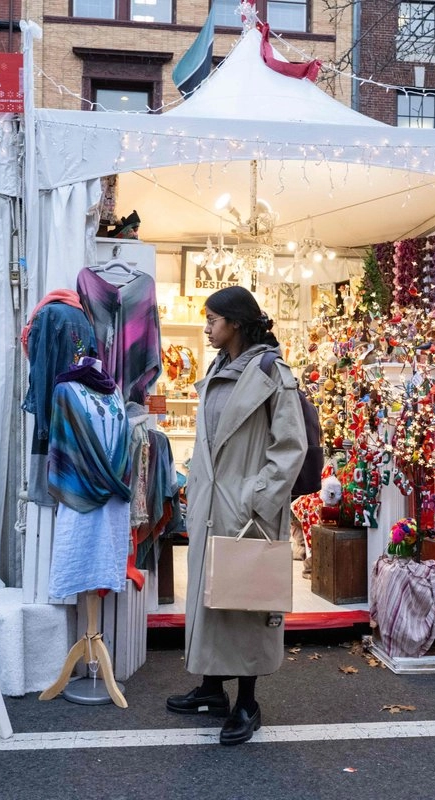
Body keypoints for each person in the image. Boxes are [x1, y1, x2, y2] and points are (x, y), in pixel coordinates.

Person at [166, 285, 306, 746]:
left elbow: (290, 447)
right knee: (211, 596)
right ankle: (211, 688)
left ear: (236, 323)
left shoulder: (271, 371)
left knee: (245, 600)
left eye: (213, 320)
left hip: (247, 508)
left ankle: (248, 700)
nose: (206, 327)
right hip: (212, 504)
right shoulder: (219, 366)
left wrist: (258, 498)